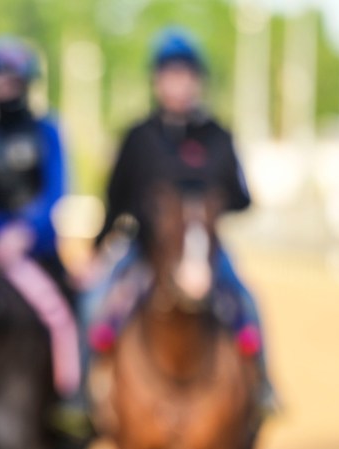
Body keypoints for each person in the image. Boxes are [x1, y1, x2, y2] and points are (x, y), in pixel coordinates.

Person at [88, 28, 277, 412]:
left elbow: (242, 198)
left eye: (186, 75)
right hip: (143, 249)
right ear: (156, 81)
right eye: (170, 75)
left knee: (247, 301)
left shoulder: (217, 136)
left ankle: (263, 388)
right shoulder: (138, 137)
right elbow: (116, 199)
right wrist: (97, 249)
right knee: (92, 303)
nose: (178, 85)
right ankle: (83, 397)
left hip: (205, 250)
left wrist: (212, 203)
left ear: (198, 81)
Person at [0, 36, 86, 434]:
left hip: (40, 253)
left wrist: (24, 232)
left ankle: (72, 398)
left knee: (71, 313)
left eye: (7, 77)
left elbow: (56, 193)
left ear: (24, 81)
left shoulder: (48, 132)